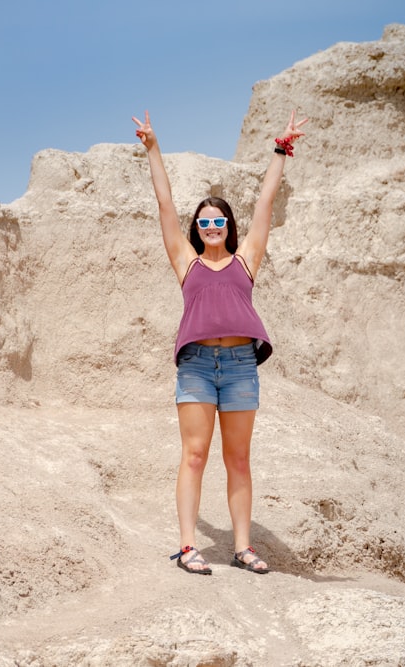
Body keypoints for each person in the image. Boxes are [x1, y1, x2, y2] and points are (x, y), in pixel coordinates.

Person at [132, 109, 307, 575]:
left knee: (239, 459)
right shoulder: (185, 262)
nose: (212, 229)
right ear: (197, 230)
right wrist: (153, 148)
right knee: (194, 455)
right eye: (205, 224)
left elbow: (266, 205)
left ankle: (242, 547)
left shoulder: (246, 260)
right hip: (196, 367)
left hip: (239, 367)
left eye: (220, 223)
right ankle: (189, 547)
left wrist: (280, 151)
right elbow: (165, 206)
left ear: (230, 227)